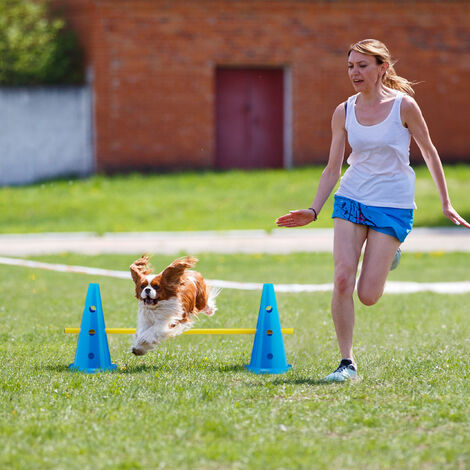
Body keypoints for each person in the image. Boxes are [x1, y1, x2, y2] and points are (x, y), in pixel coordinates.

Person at [276, 39, 470, 383]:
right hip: (352, 198)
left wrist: (445, 202)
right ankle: (346, 363)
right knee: (341, 279)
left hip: (392, 203)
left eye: (362, 65)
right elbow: (333, 167)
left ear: (382, 68)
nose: (354, 72)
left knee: (367, 295)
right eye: (350, 66)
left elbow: (429, 152)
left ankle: (390, 253)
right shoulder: (344, 111)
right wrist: (314, 208)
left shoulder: (404, 107)